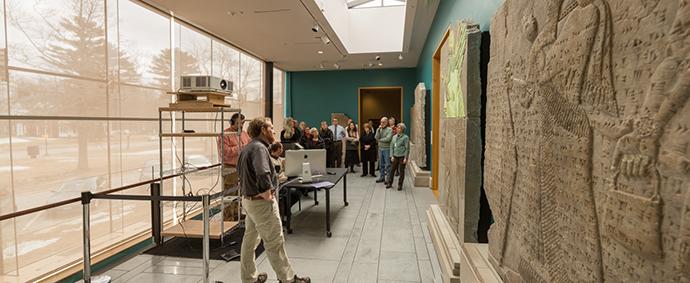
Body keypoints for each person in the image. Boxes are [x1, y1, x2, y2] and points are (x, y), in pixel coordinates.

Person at [237, 118, 310, 283]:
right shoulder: (259, 148)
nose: (274, 131)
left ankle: (249, 278)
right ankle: (288, 279)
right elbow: (263, 173)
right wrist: (267, 193)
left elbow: (240, 172)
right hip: (261, 204)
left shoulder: (248, 147)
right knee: (275, 241)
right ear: (263, 130)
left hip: (249, 202)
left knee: (250, 240)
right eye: (271, 128)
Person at [218, 113, 250, 221]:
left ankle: (237, 213)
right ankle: (228, 217)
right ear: (232, 122)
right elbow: (225, 152)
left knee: (239, 192)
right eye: (239, 123)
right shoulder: (225, 134)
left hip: (241, 166)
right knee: (229, 193)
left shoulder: (244, 134)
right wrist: (241, 147)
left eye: (243, 123)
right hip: (229, 167)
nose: (241, 125)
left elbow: (249, 146)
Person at [386, 123, 409, 190]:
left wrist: (405, 158)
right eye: (397, 128)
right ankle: (390, 183)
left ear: (402, 130)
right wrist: (391, 156)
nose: (397, 129)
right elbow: (391, 147)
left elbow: (407, 148)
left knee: (401, 171)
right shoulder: (394, 137)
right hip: (395, 156)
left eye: (399, 128)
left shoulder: (405, 137)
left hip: (402, 156)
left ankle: (400, 184)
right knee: (392, 170)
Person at [375, 117, 393, 183]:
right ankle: (382, 177)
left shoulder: (389, 130)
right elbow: (376, 137)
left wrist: (380, 140)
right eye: (381, 122)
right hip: (380, 149)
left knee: (388, 164)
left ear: (387, 122)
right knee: (381, 164)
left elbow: (388, 139)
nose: (382, 123)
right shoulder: (379, 129)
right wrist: (378, 130)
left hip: (387, 149)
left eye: (383, 122)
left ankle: (388, 179)